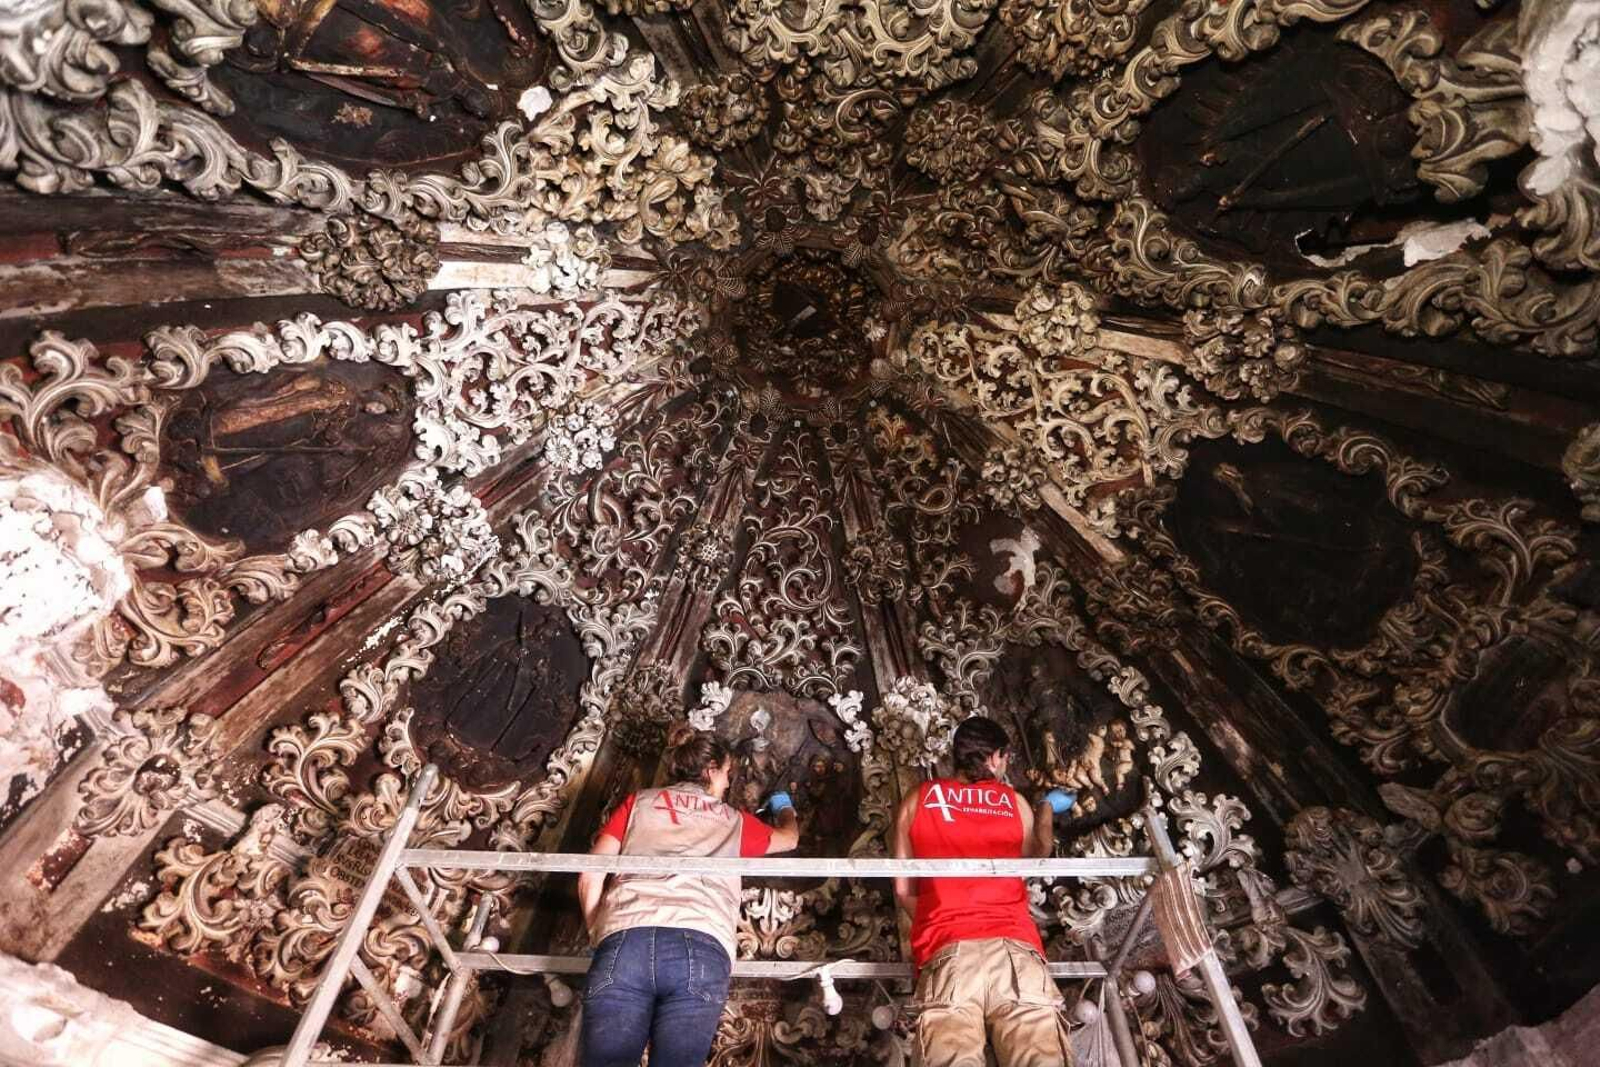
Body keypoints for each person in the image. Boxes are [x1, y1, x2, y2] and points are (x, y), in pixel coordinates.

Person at [578, 727, 800, 1067]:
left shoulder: (639, 803)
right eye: (727, 774)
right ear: (710, 770)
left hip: (626, 939)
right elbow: (789, 839)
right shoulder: (734, 820)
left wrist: (600, 930)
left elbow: (591, 871)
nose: (727, 783)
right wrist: (784, 806)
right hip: (699, 945)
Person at [893, 716, 1078, 1067]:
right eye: (1005, 759)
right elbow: (1037, 853)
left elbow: (903, 888)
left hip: (948, 955)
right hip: (1015, 956)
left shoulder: (917, 801)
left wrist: (943, 921)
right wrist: (1047, 808)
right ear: (995, 757)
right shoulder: (1012, 801)